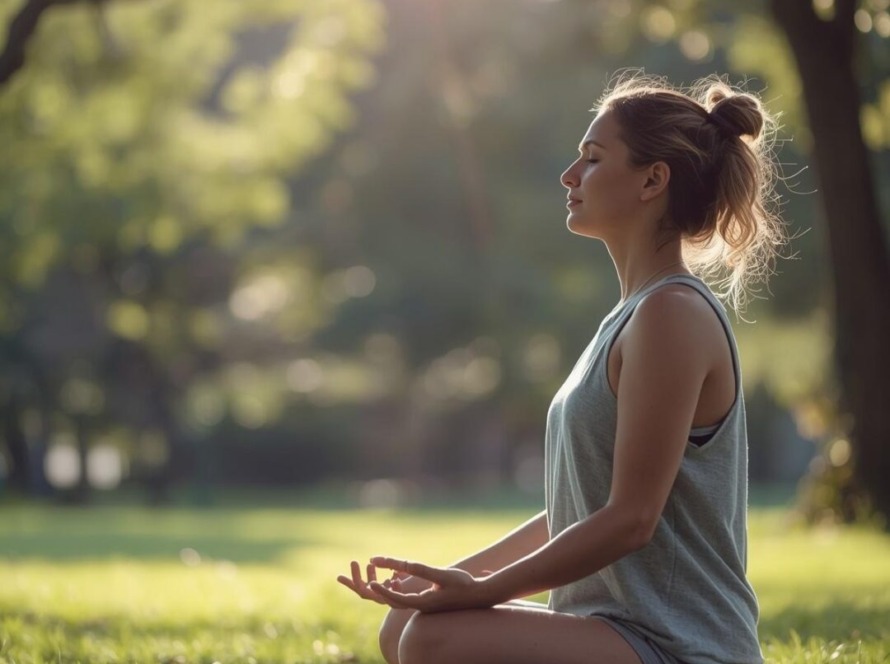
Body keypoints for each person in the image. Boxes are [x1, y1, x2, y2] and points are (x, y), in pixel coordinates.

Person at [337, 73, 784, 664]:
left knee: (434, 639)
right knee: (406, 624)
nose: (569, 177)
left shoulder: (672, 314)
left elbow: (631, 519)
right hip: (615, 630)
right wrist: (452, 579)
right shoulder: (631, 317)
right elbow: (585, 504)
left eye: (593, 159)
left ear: (653, 179)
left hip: (683, 647)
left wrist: (486, 592)